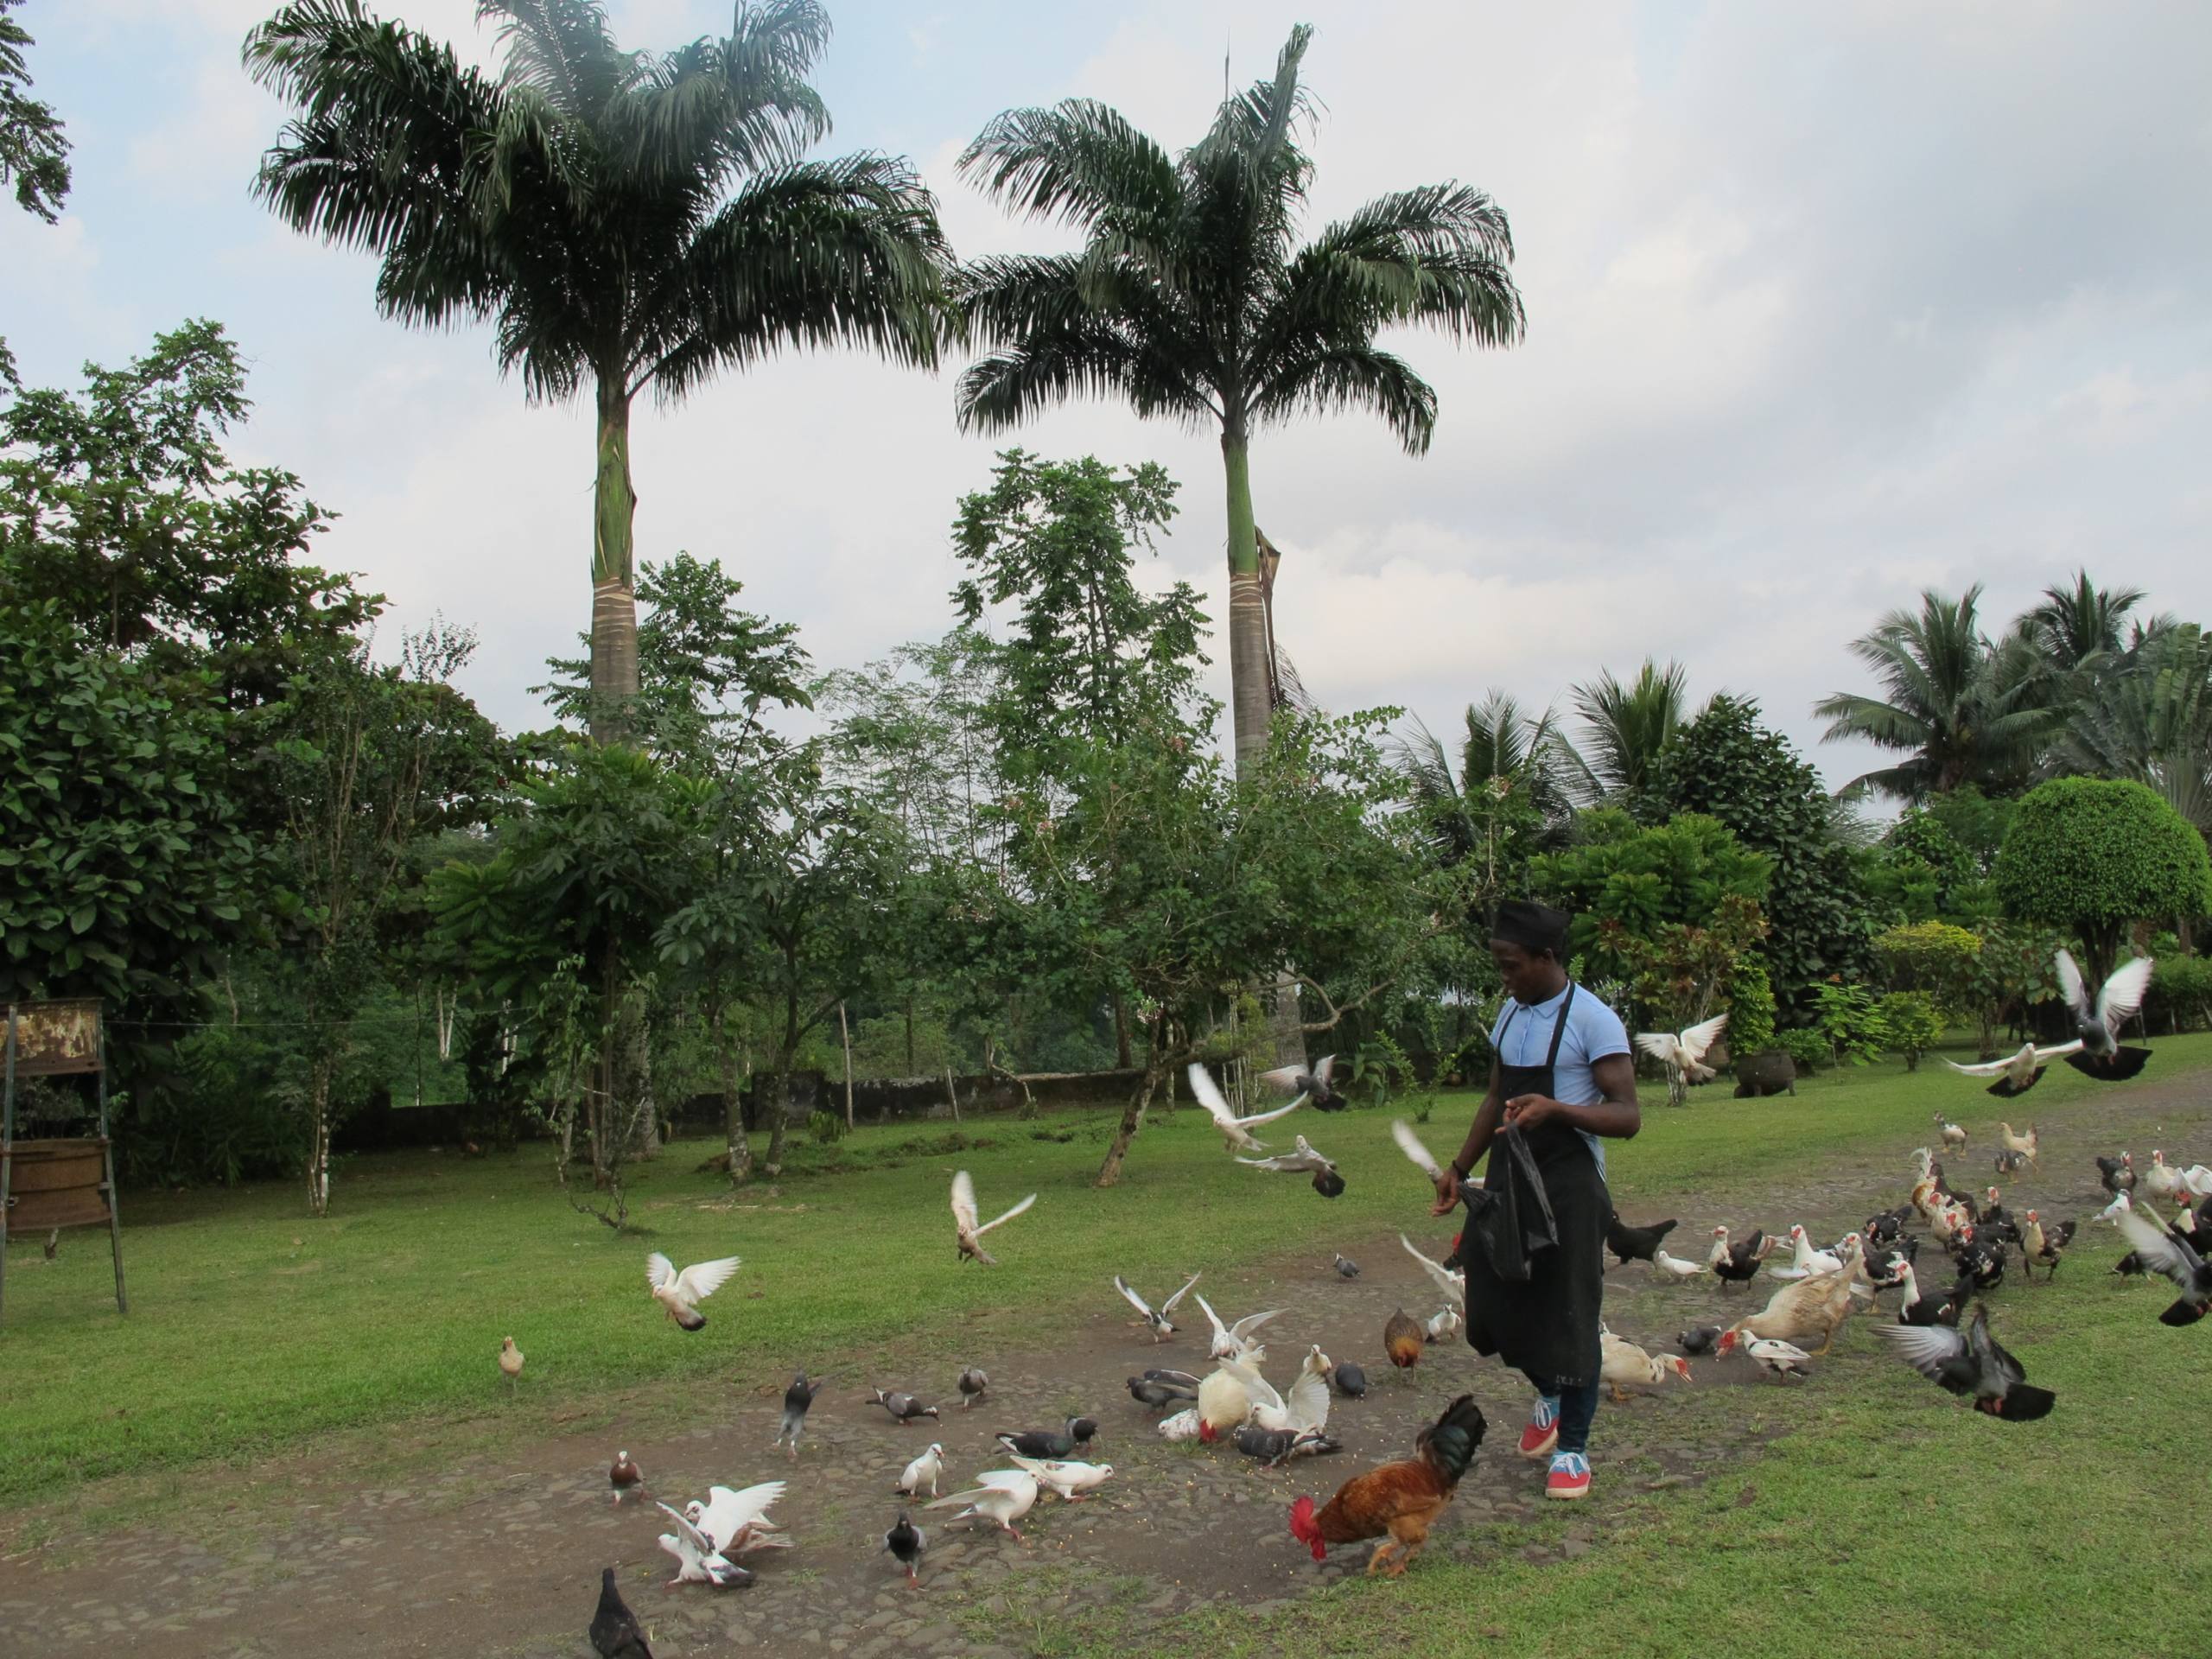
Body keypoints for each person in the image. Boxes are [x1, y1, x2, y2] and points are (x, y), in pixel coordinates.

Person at [1429, 899, 1640, 1502]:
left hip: (1571, 1185)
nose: (1505, 977)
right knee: (1488, 1312)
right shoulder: (1511, 1014)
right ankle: (1548, 1388)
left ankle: (1572, 1448)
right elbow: (1497, 1097)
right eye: (1499, 965)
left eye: (1512, 965)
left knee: (1570, 1314)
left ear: (1546, 958)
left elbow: (1627, 1116)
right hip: (1508, 1181)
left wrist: (1558, 1110)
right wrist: (1459, 1168)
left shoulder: (1594, 1021)